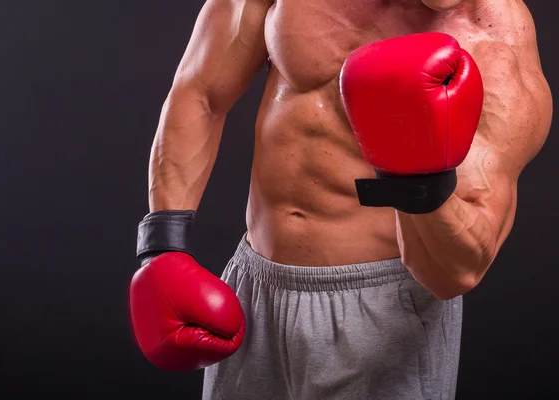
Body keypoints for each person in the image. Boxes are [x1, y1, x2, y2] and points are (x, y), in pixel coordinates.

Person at [129, 0, 552, 399]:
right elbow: (201, 91)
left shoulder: (498, 49)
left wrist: (418, 175)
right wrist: (163, 244)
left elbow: (456, 273)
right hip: (253, 290)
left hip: (383, 313)